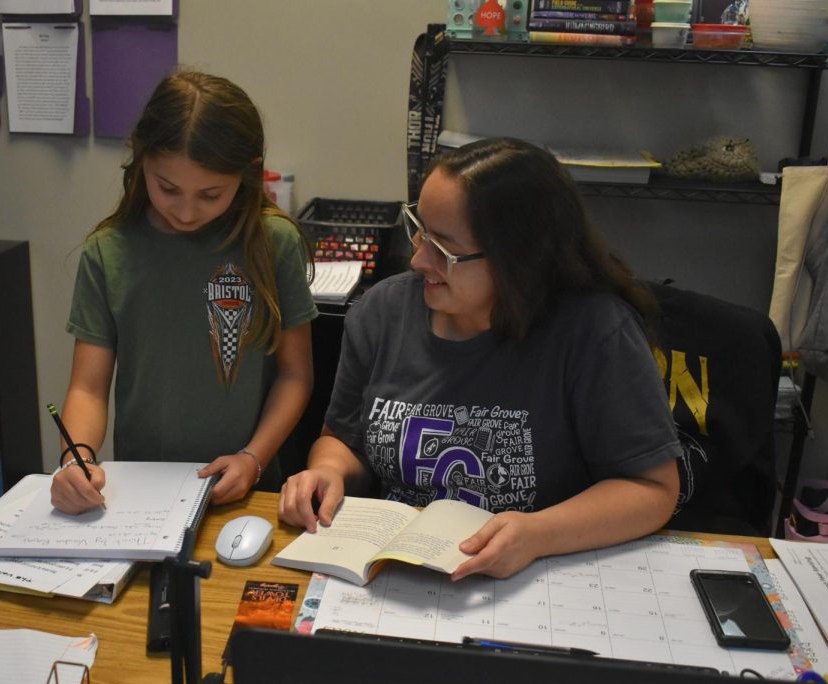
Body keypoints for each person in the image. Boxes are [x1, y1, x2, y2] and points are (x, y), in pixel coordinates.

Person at [278, 137, 681, 580]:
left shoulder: (594, 333)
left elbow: (652, 489)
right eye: (419, 229)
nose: (417, 259)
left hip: (536, 576)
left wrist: (538, 534)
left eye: (443, 250)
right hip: (391, 572)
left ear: (518, 260)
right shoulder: (382, 313)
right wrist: (327, 471)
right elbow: (343, 439)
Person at [52, 70, 317, 514]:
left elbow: (295, 376)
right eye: (167, 189)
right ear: (141, 161)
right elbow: (88, 388)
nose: (187, 211)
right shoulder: (109, 251)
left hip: (245, 486)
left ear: (248, 174)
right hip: (137, 491)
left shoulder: (273, 243)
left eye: (211, 194)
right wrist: (75, 459)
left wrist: (253, 458)